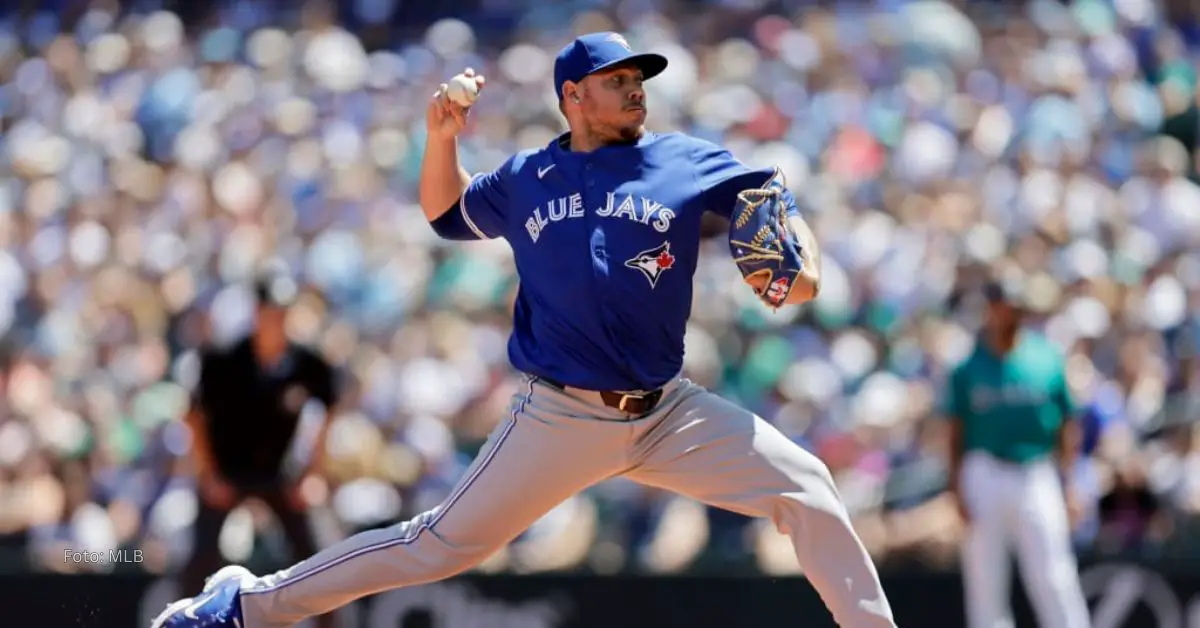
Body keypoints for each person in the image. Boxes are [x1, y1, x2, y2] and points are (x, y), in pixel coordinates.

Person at [151, 32, 897, 628]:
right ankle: (242, 606)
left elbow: (770, 196)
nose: (636, 87)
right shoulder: (528, 176)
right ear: (573, 96)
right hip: (561, 415)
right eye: (617, 79)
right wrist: (442, 138)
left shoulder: (683, 160)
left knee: (809, 487)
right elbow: (447, 214)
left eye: (640, 78)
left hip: (667, 410)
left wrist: (800, 245)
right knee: (435, 547)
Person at [177, 270, 340, 628]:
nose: (277, 320)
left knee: (319, 558)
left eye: (283, 312)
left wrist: (313, 473)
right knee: (199, 561)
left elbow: (330, 409)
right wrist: (207, 474)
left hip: (278, 474)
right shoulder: (224, 358)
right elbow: (192, 416)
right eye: (270, 312)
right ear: (257, 313)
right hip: (227, 472)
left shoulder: (306, 363)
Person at [944, 278, 1092, 628]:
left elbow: (1067, 425)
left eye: (1014, 307)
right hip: (984, 470)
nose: (1008, 314)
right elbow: (954, 433)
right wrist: (956, 487)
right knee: (985, 580)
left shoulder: (1046, 358)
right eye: (1001, 306)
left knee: (1054, 574)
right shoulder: (968, 366)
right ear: (991, 309)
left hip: (1035, 470)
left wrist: (1069, 482)